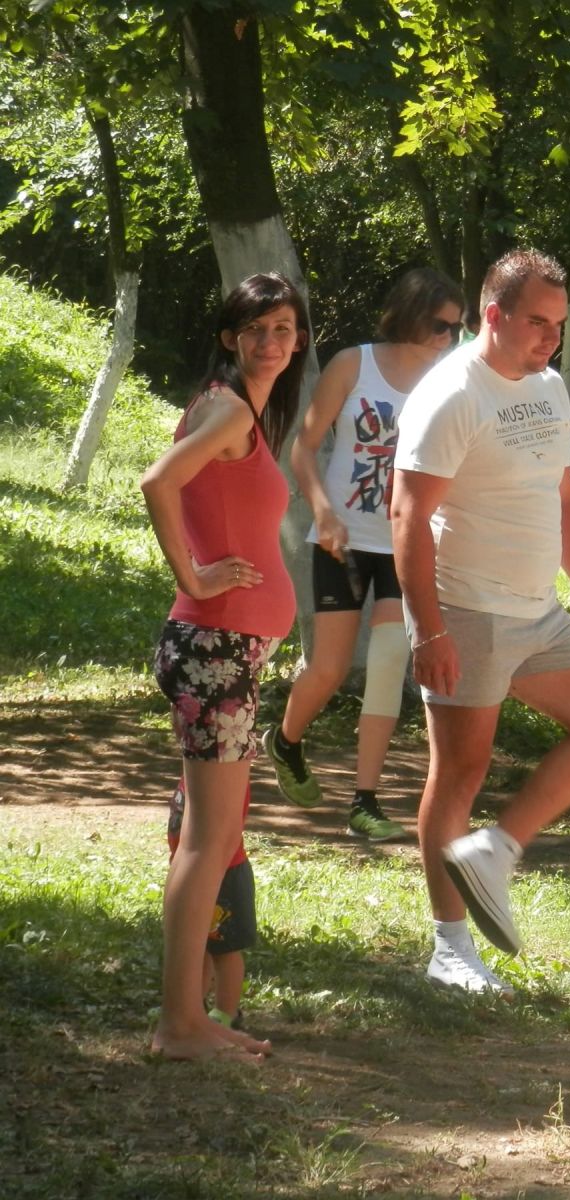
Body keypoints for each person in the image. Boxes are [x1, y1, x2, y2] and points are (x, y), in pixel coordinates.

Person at [391, 248, 570, 995]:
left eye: (558, 325)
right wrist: (429, 631)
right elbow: (407, 517)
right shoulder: (451, 396)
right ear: (492, 316)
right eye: (537, 322)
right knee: (459, 773)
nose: (550, 339)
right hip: (468, 613)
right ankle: (449, 948)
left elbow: (561, 499)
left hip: (539, 612)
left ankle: (496, 848)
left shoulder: (548, 386)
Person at [142, 271, 310, 1060]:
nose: (270, 342)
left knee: (207, 835)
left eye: (283, 328)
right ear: (229, 338)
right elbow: (158, 482)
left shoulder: (239, 409)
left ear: (299, 340)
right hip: (214, 649)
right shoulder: (230, 409)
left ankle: (193, 1014)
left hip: (228, 653)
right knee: (208, 841)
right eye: (255, 329)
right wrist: (195, 576)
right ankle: (180, 1024)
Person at [265, 268, 466, 841]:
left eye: (457, 328)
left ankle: (365, 800)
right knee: (329, 669)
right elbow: (303, 447)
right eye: (441, 325)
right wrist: (323, 511)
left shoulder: (451, 381)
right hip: (343, 540)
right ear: (411, 314)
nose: (449, 337)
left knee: (387, 662)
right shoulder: (354, 364)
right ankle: (285, 741)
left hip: (406, 545)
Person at [167, 781, 254, 1030]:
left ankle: (227, 1012)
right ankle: (193, 1004)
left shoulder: (225, 772)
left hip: (224, 874)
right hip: (197, 872)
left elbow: (224, 827)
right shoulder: (194, 770)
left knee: (224, 950)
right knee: (198, 946)